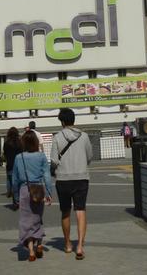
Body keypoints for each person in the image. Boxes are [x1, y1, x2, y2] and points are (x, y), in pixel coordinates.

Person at [51, 107, 93, 260]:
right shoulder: (84, 136)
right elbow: (89, 157)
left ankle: (68, 244)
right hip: (81, 177)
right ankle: (80, 246)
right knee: (81, 211)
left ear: (62, 121)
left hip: (63, 179)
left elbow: (54, 160)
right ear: (73, 120)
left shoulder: (57, 137)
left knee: (65, 211)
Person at [11, 130, 52, 261]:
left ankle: (31, 251)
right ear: (35, 142)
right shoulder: (41, 156)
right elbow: (47, 175)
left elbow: (15, 179)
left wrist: (16, 197)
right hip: (38, 190)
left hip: (24, 190)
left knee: (26, 221)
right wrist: (49, 192)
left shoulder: (19, 157)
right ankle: (39, 244)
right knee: (37, 218)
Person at [3, 127, 23, 206]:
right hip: (19, 164)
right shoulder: (20, 142)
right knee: (19, 183)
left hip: (10, 164)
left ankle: (10, 193)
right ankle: (18, 199)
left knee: (10, 180)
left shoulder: (6, 143)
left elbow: (4, 153)